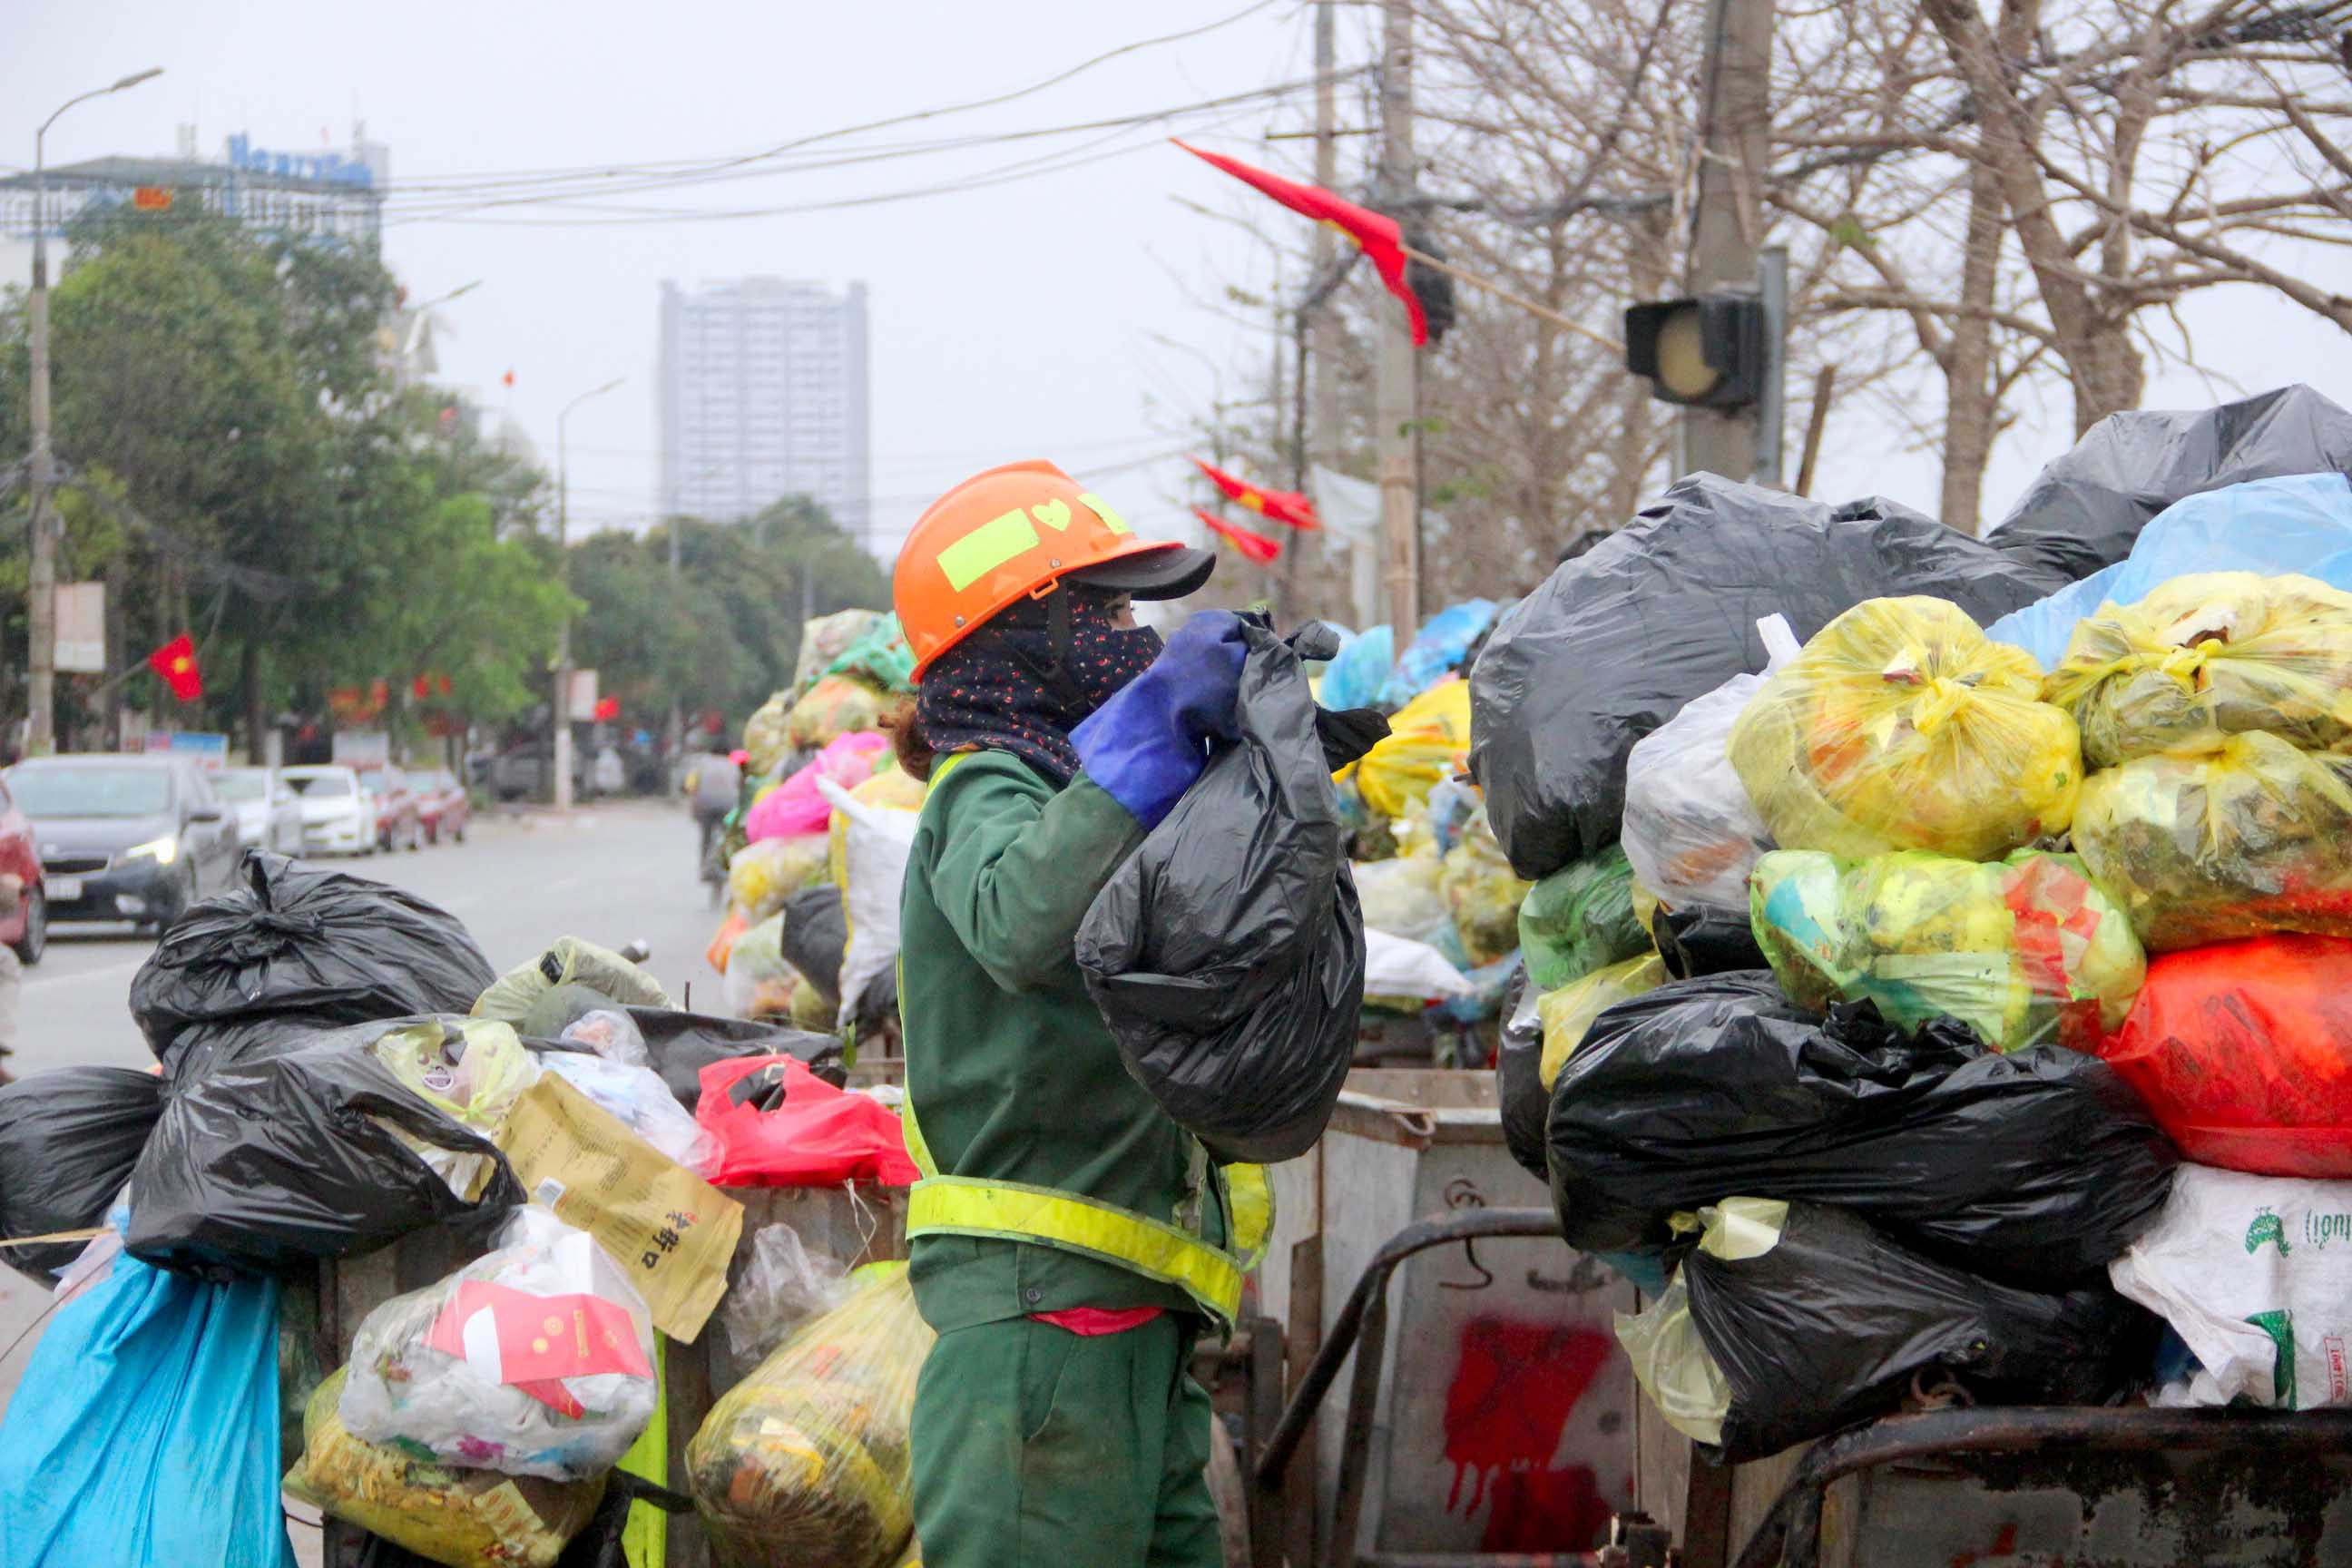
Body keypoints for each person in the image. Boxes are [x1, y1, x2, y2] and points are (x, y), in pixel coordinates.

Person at [889, 459, 1265, 1567]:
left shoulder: (1072, 793)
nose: (1127, 633)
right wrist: (1152, 735)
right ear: (1020, 631)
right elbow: (1018, 920)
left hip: (1134, 1317)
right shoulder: (984, 787)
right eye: (1101, 607)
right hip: (1039, 1331)